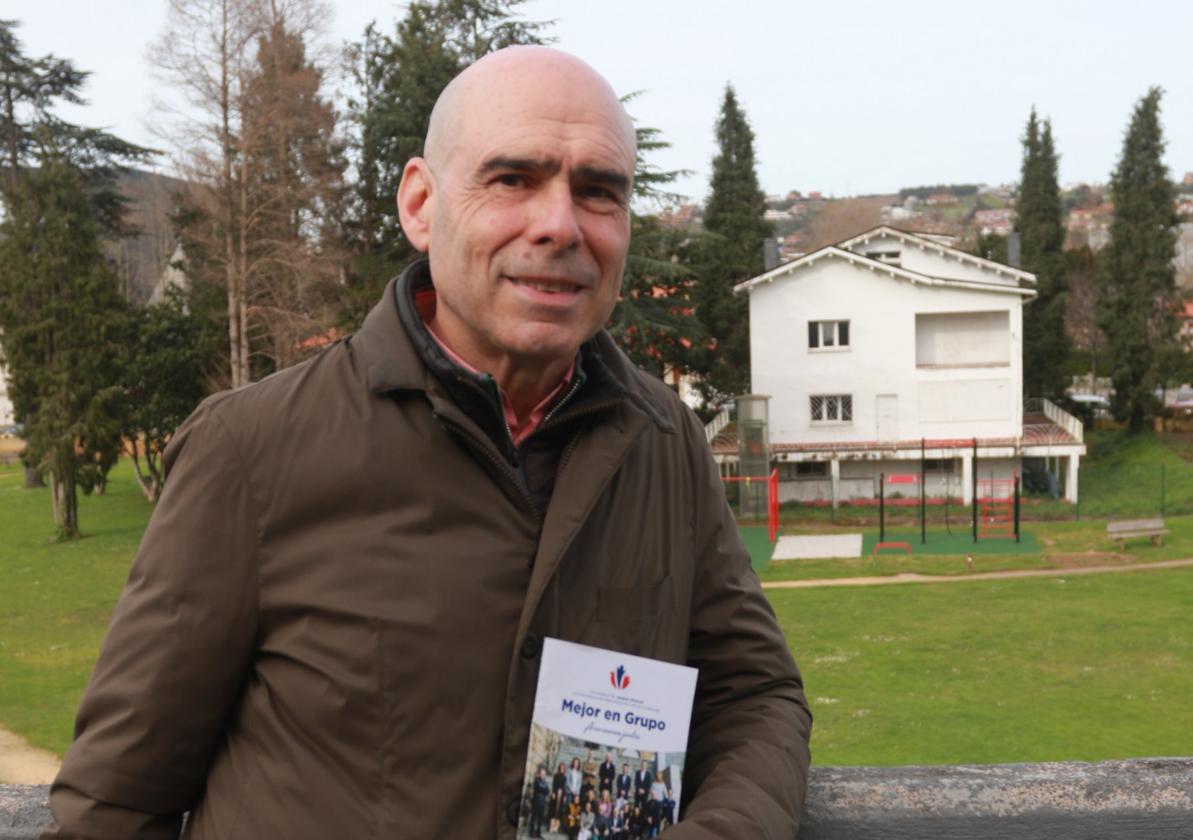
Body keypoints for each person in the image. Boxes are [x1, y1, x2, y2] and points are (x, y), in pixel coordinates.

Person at [41, 46, 810, 839]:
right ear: (419, 204)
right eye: (513, 179)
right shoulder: (252, 449)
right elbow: (117, 803)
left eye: (597, 192)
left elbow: (752, 698)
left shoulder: (661, 439)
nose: (559, 224)